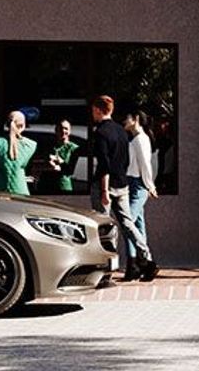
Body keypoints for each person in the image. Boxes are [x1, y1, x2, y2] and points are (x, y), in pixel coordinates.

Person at [88, 94, 146, 276]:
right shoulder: (122, 131)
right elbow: (126, 160)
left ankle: (107, 267)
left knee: (104, 226)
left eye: (93, 110)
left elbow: (104, 164)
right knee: (127, 223)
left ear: (98, 110)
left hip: (105, 185)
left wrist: (104, 190)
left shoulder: (101, 133)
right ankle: (146, 254)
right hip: (122, 184)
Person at [120, 111, 160, 282]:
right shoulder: (136, 139)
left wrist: (150, 185)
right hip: (134, 183)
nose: (123, 121)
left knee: (127, 222)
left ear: (135, 120)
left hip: (138, 185)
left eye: (126, 118)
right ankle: (136, 265)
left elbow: (145, 164)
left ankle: (142, 261)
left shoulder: (140, 139)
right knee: (137, 224)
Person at [0, 110, 35, 195]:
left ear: (7, 125)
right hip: (20, 190)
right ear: (23, 125)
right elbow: (28, 170)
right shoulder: (31, 145)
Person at [45, 119, 81, 197]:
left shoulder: (74, 148)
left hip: (63, 186)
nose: (63, 131)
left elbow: (70, 170)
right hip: (47, 186)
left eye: (66, 128)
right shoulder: (49, 146)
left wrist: (60, 161)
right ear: (56, 130)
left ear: (70, 131)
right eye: (60, 128)